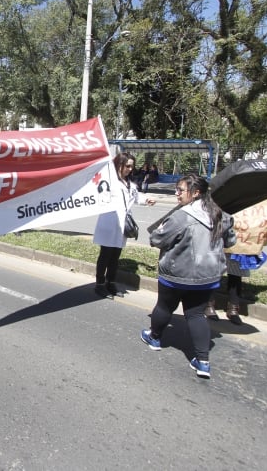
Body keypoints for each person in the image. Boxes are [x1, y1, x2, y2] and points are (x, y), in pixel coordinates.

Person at [141, 174, 236, 379]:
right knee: (195, 315)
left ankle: (155, 337)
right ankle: (203, 361)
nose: (176, 194)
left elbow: (157, 239)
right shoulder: (221, 215)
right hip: (208, 276)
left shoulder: (181, 217)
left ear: (196, 193)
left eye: (180, 190)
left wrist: (158, 231)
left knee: (165, 307)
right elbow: (230, 241)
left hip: (177, 274)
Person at [92, 152, 156, 297]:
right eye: (127, 166)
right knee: (105, 255)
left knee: (116, 256)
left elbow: (136, 196)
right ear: (119, 165)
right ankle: (100, 284)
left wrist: (147, 199)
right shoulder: (109, 181)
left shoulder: (130, 184)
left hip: (123, 225)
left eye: (132, 167)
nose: (130, 169)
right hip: (109, 223)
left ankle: (111, 282)